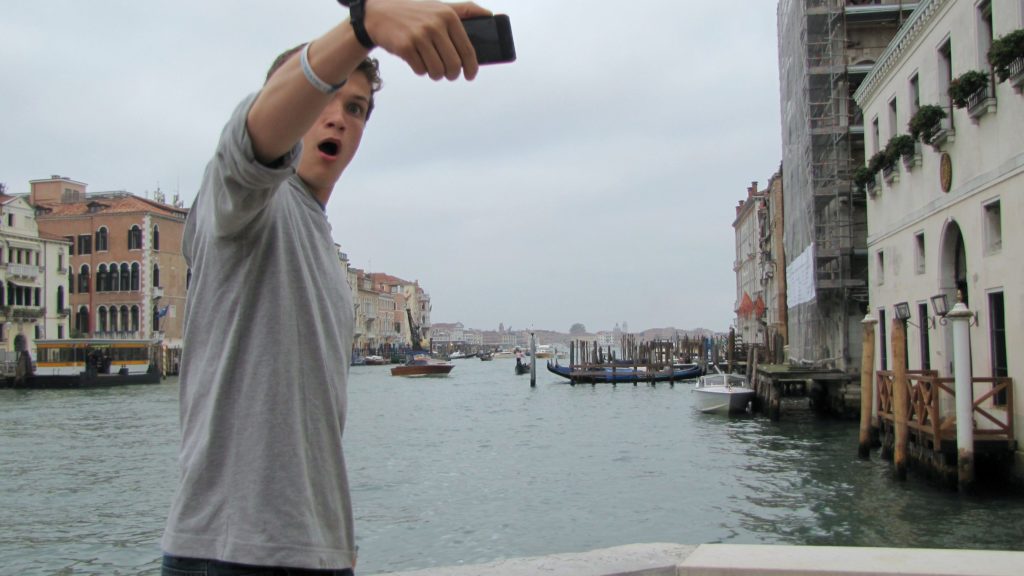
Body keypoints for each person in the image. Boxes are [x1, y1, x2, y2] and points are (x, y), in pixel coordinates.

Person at [161, 1, 491, 574]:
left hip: (316, 551)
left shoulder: (321, 245)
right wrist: (363, 28)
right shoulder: (241, 204)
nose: (340, 118)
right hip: (231, 552)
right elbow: (253, 140)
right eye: (324, 99)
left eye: (357, 108)